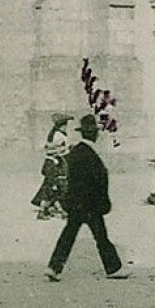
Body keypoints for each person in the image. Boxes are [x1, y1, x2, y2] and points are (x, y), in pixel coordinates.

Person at [46, 113, 128, 281]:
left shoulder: (75, 152)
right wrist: (104, 203)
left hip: (75, 203)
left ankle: (54, 267)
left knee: (68, 235)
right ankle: (113, 268)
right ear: (94, 134)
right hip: (91, 205)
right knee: (101, 237)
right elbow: (99, 182)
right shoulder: (91, 154)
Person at [31, 113, 71, 219]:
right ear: (61, 125)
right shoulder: (58, 135)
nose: (66, 126)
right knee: (53, 187)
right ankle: (44, 211)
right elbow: (50, 149)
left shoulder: (56, 134)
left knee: (55, 187)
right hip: (53, 164)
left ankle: (57, 209)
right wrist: (65, 150)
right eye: (65, 124)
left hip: (53, 163)